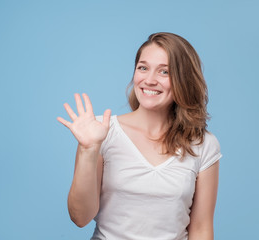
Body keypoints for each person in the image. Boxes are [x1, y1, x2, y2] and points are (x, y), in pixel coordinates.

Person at [57, 32, 222, 240]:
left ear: (184, 80)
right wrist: (88, 150)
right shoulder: (101, 132)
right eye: (143, 68)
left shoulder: (204, 145)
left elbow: (201, 229)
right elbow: (80, 217)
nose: (150, 80)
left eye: (164, 72)